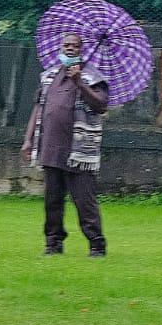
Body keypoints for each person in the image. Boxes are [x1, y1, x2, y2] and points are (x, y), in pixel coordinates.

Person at [22, 32, 109, 257]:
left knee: (84, 202)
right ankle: (53, 244)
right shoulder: (49, 76)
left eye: (75, 46)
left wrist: (79, 82)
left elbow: (101, 105)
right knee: (52, 201)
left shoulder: (92, 77)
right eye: (66, 45)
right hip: (51, 148)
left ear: (82, 49)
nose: (70, 48)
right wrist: (28, 140)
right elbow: (38, 108)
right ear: (61, 48)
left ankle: (96, 245)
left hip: (79, 152)